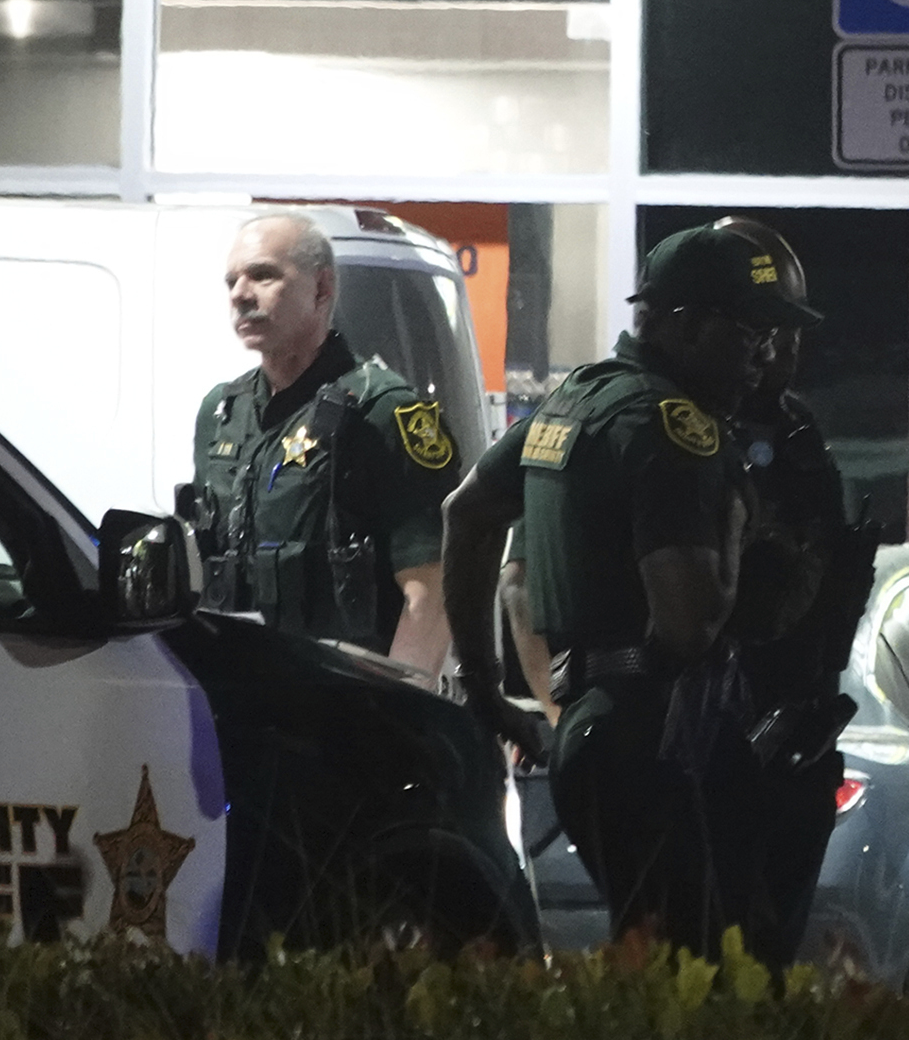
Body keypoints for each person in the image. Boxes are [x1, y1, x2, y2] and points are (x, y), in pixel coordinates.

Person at [439, 224, 821, 948]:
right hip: (662, 737)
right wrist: (738, 530)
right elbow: (688, 626)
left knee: (658, 955)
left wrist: (486, 691)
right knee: (701, 975)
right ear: (684, 325)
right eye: (747, 335)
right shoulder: (674, 429)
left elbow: (468, 514)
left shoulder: (576, 399)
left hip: (598, 729)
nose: (762, 360)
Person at [708, 216, 877, 967]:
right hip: (703, 749)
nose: (778, 350)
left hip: (797, 745)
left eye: (791, 332)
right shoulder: (679, 426)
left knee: (772, 962)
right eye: (762, 329)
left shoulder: (803, 435)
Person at [181, 211, 452, 673]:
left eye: (263, 275)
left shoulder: (382, 411)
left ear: (322, 289)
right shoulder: (221, 413)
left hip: (338, 697)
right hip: (238, 686)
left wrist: (397, 708)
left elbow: (430, 590)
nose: (241, 295)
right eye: (232, 281)